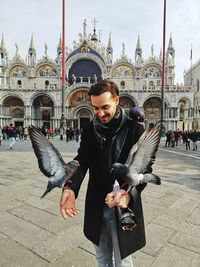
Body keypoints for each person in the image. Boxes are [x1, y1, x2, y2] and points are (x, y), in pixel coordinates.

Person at [60, 80, 150, 267]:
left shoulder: (134, 129)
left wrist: (127, 193)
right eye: (95, 108)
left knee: (123, 259)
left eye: (105, 107)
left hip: (122, 205)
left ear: (117, 100)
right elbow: (82, 159)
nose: (100, 113)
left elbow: (145, 169)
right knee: (102, 258)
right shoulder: (90, 129)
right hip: (96, 203)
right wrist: (70, 187)